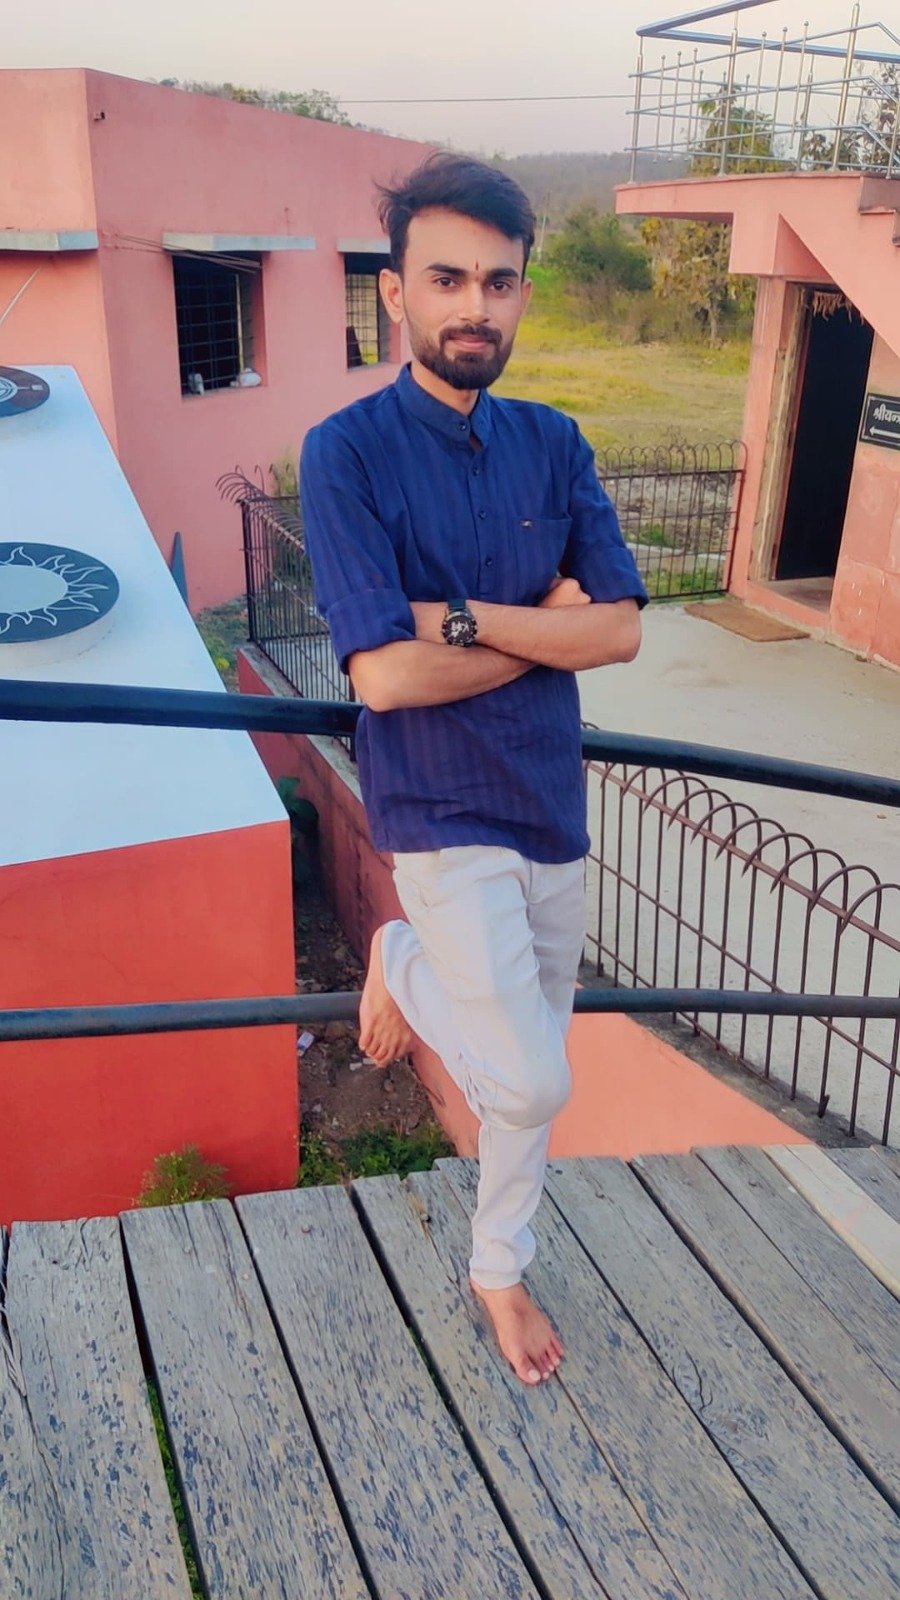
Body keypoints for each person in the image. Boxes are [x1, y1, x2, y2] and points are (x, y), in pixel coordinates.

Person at [300, 153, 647, 1386]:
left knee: (518, 1085)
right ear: (395, 292)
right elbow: (385, 679)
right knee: (533, 1075)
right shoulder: (344, 453)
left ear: (523, 296)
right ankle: (402, 955)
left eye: (499, 282)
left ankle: (498, 1265)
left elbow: (619, 629)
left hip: (549, 802)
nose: (475, 306)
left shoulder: (555, 443)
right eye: (446, 279)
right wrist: (537, 622)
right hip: (438, 813)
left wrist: (458, 619)